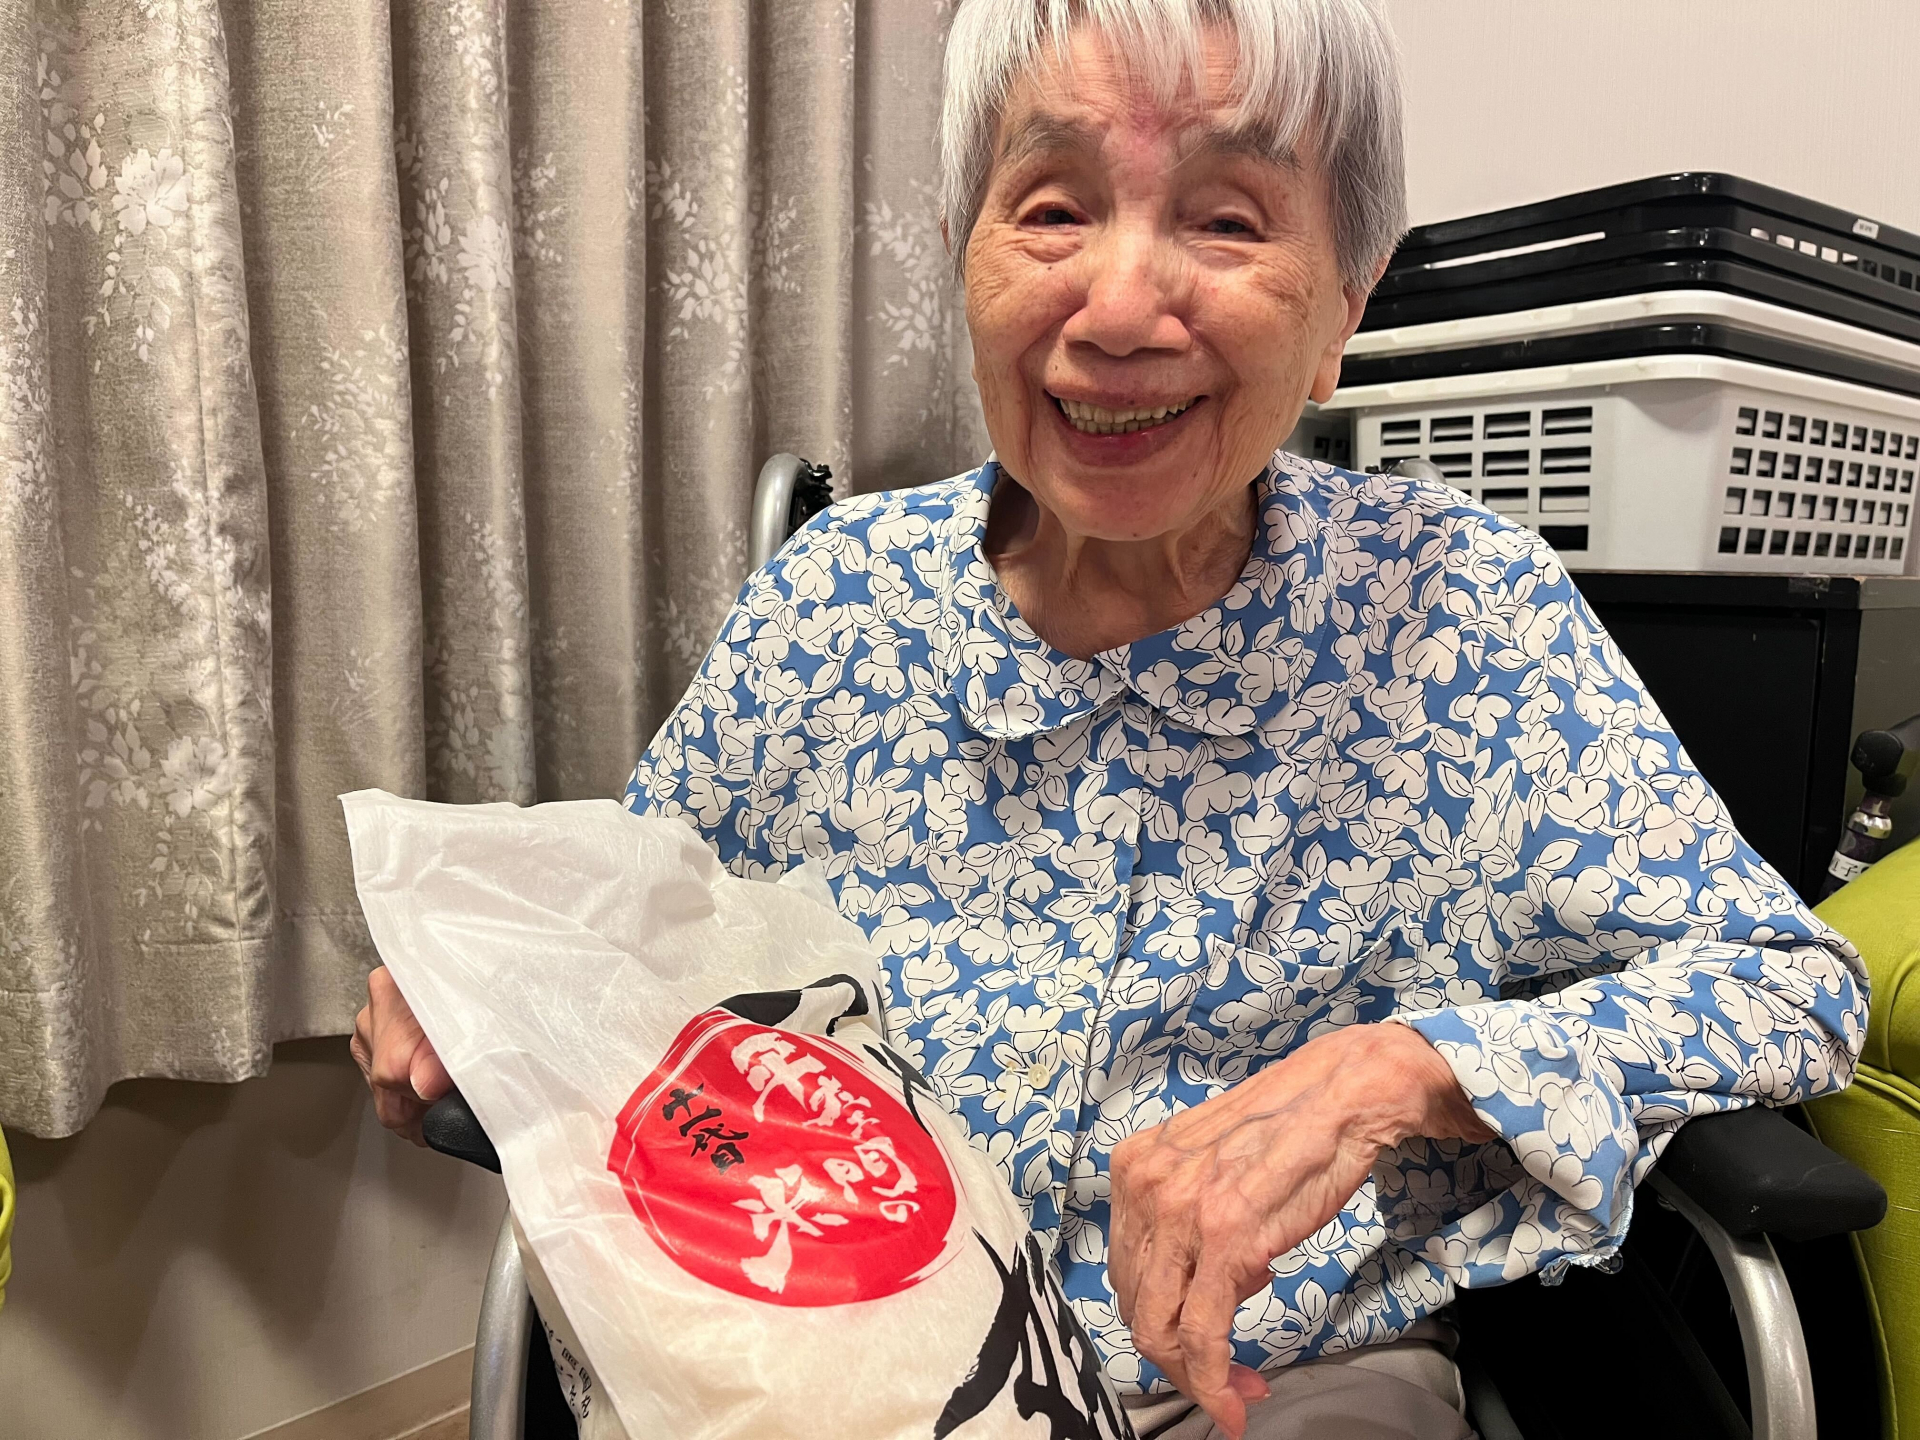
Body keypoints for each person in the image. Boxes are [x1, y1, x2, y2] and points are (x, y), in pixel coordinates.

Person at [355, 2, 1868, 1435]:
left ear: (1343, 307)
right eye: (1053, 206)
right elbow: (637, 929)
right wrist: (482, 985)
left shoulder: (1454, 610)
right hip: (850, 1347)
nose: (1122, 308)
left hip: (1278, 1373)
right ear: (966, 258)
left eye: (1227, 219)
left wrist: (1392, 1073)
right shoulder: (838, 597)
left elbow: (1786, 986)